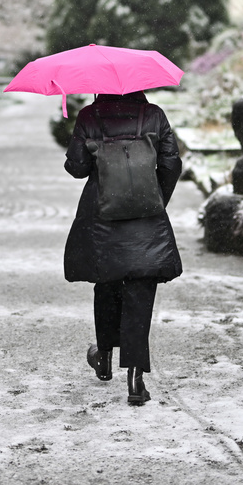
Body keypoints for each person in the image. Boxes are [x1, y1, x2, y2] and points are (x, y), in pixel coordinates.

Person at [62, 90, 183, 405]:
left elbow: (76, 167)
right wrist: (154, 198)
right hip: (146, 218)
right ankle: (135, 378)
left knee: (106, 284)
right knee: (140, 292)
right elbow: (172, 164)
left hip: (102, 216)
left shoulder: (89, 116)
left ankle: (103, 358)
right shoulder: (153, 115)